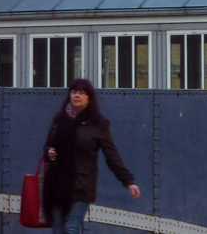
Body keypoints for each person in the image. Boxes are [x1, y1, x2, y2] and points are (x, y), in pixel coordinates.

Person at [43, 79, 140, 234]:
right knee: (58, 229)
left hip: (82, 184)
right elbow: (49, 145)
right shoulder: (60, 118)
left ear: (90, 97)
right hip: (57, 183)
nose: (77, 95)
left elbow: (111, 154)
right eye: (74, 92)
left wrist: (128, 181)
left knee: (71, 228)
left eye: (82, 93)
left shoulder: (99, 123)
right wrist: (49, 152)